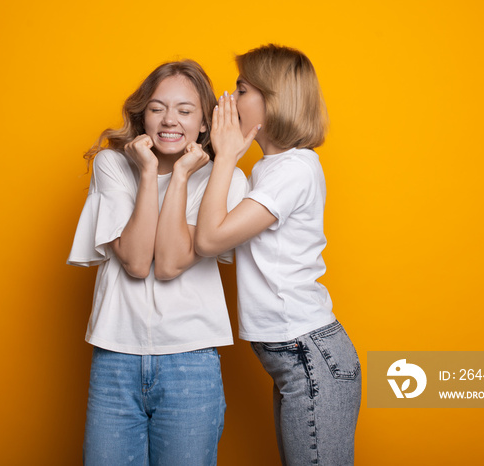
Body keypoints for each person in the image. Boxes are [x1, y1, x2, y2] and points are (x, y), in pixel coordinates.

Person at [67, 60, 248, 466]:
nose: (170, 120)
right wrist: (149, 173)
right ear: (142, 115)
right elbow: (134, 260)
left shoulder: (226, 180)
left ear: (204, 122)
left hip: (192, 360)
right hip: (116, 357)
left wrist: (182, 175)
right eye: (157, 108)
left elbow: (167, 263)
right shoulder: (112, 165)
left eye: (185, 111)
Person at [195, 44, 361, 465]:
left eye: (241, 89)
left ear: (274, 100)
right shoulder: (270, 169)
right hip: (299, 355)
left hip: (307, 352)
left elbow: (210, 239)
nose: (227, 100)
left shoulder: (294, 169)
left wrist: (226, 155)